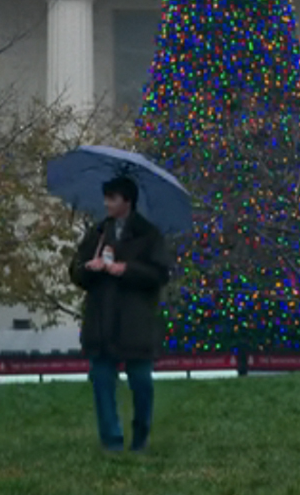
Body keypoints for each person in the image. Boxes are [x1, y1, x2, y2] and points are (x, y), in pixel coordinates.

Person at [70, 176, 171, 452]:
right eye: (106, 198)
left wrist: (125, 270)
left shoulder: (149, 235)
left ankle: (140, 437)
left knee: (141, 383)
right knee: (101, 381)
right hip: (101, 322)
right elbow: (75, 271)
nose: (107, 204)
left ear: (127, 201)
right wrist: (89, 268)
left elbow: (159, 274)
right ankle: (111, 440)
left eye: (112, 198)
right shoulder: (98, 233)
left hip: (134, 322)